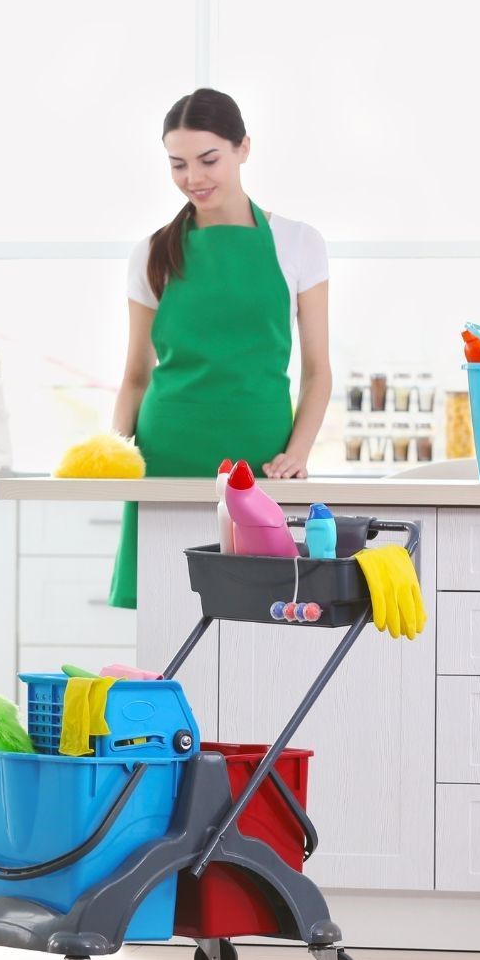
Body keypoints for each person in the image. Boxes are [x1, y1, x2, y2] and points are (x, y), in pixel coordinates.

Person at [110, 88, 331, 609]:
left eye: (209, 159)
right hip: (164, 457)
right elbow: (136, 376)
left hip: (258, 465)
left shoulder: (298, 242)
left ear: (243, 149)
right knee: (168, 614)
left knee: (264, 617)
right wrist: (110, 456)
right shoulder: (151, 253)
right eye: (178, 165)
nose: (194, 178)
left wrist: (296, 454)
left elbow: (318, 371)